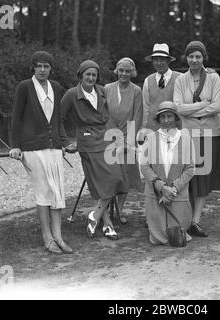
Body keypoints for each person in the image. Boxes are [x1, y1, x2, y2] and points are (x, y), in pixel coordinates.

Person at [9, 51, 73, 255]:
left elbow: (56, 119)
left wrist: (64, 142)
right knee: (44, 192)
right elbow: (16, 118)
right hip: (32, 148)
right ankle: (47, 238)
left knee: (57, 192)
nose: (43, 70)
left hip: (53, 147)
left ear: (51, 68)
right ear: (33, 68)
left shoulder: (55, 87)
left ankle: (59, 237)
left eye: (46, 66)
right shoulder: (25, 87)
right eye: (39, 66)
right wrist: (15, 145)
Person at [60, 60, 129, 240]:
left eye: (94, 75)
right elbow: (58, 119)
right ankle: (107, 224)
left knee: (115, 179)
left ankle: (95, 215)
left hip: (106, 138)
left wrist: (118, 138)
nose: (91, 78)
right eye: (88, 74)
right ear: (81, 76)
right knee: (100, 184)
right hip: (88, 142)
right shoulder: (71, 94)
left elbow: (107, 118)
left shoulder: (101, 90)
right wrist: (66, 142)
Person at [173, 40, 220, 238]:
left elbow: (216, 107)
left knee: (203, 178)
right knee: (187, 176)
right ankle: (185, 218)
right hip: (188, 134)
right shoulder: (180, 80)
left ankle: (196, 221)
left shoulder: (213, 78)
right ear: (186, 58)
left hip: (209, 133)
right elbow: (178, 108)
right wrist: (203, 104)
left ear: (204, 58)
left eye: (198, 56)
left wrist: (190, 110)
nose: (194, 60)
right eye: (191, 56)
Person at [140, 101, 194, 245]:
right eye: (163, 117)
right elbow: (145, 167)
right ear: (158, 120)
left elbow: (190, 168)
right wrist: (162, 188)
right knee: (158, 238)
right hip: (156, 193)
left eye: (170, 116)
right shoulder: (150, 139)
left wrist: (173, 189)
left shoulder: (186, 138)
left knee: (177, 235)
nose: (166, 120)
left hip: (178, 192)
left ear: (176, 118)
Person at [104, 57, 143, 224]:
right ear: (116, 71)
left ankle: (119, 210)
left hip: (128, 138)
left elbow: (137, 116)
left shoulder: (136, 91)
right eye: (121, 70)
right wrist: (112, 136)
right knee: (109, 175)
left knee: (125, 175)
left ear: (132, 72)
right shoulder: (107, 88)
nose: (124, 74)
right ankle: (105, 211)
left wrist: (128, 142)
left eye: (128, 71)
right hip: (110, 135)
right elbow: (104, 113)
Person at [142, 43, 182, 133]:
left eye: (162, 60)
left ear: (168, 61)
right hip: (152, 129)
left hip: (174, 129)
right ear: (152, 61)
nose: (159, 63)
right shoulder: (148, 80)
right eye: (156, 60)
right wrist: (144, 128)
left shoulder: (180, 78)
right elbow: (145, 107)